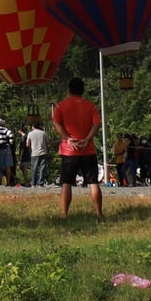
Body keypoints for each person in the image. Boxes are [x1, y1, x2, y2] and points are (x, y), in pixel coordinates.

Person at [52, 77, 103, 219]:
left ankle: (64, 214)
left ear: (69, 90)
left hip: (69, 151)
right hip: (88, 149)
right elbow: (97, 124)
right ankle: (99, 213)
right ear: (83, 90)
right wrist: (87, 139)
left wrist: (67, 138)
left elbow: (56, 123)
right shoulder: (90, 106)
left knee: (66, 183)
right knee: (93, 182)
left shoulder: (61, 106)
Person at [24, 117, 50, 187]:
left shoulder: (30, 134)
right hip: (43, 152)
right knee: (42, 168)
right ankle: (40, 183)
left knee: (34, 168)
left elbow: (27, 144)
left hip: (34, 153)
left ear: (33, 127)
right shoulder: (44, 133)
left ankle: (33, 183)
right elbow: (47, 143)